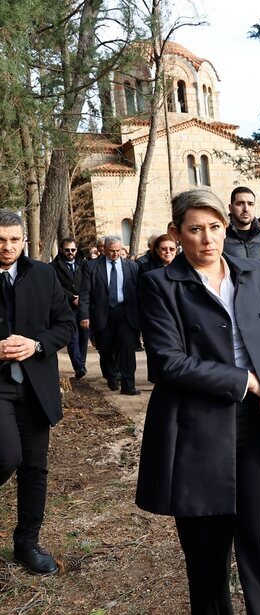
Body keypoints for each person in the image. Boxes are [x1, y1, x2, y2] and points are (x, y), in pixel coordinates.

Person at [136, 188, 260, 615]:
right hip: (195, 433)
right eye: (195, 229)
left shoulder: (252, 274)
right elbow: (168, 362)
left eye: (214, 227)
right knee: (207, 557)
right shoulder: (160, 285)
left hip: (258, 429)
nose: (207, 239)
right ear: (177, 233)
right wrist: (243, 381)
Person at [0, 210, 75, 576]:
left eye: (14, 240)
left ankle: (27, 543)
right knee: (6, 456)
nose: (8, 247)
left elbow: (66, 325)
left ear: (24, 241)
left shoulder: (44, 275)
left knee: (35, 467)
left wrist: (37, 345)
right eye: (1, 240)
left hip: (35, 387)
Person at [79, 235, 141, 396]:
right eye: (111, 251)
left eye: (118, 251)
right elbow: (85, 293)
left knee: (127, 349)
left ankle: (128, 385)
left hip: (125, 313)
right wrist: (84, 315)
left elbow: (138, 291)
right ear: (104, 250)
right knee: (106, 349)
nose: (115, 254)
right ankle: (111, 376)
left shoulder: (131, 266)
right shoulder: (92, 267)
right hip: (102, 312)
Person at [52, 238, 89, 379]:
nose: (70, 253)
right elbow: (55, 286)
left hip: (83, 304)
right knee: (72, 337)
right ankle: (78, 366)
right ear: (61, 250)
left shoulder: (84, 264)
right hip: (66, 306)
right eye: (67, 250)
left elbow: (88, 282)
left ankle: (82, 362)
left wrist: (82, 298)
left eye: (73, 250)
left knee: (84, 336)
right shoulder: (54, 266)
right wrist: (72, 297)